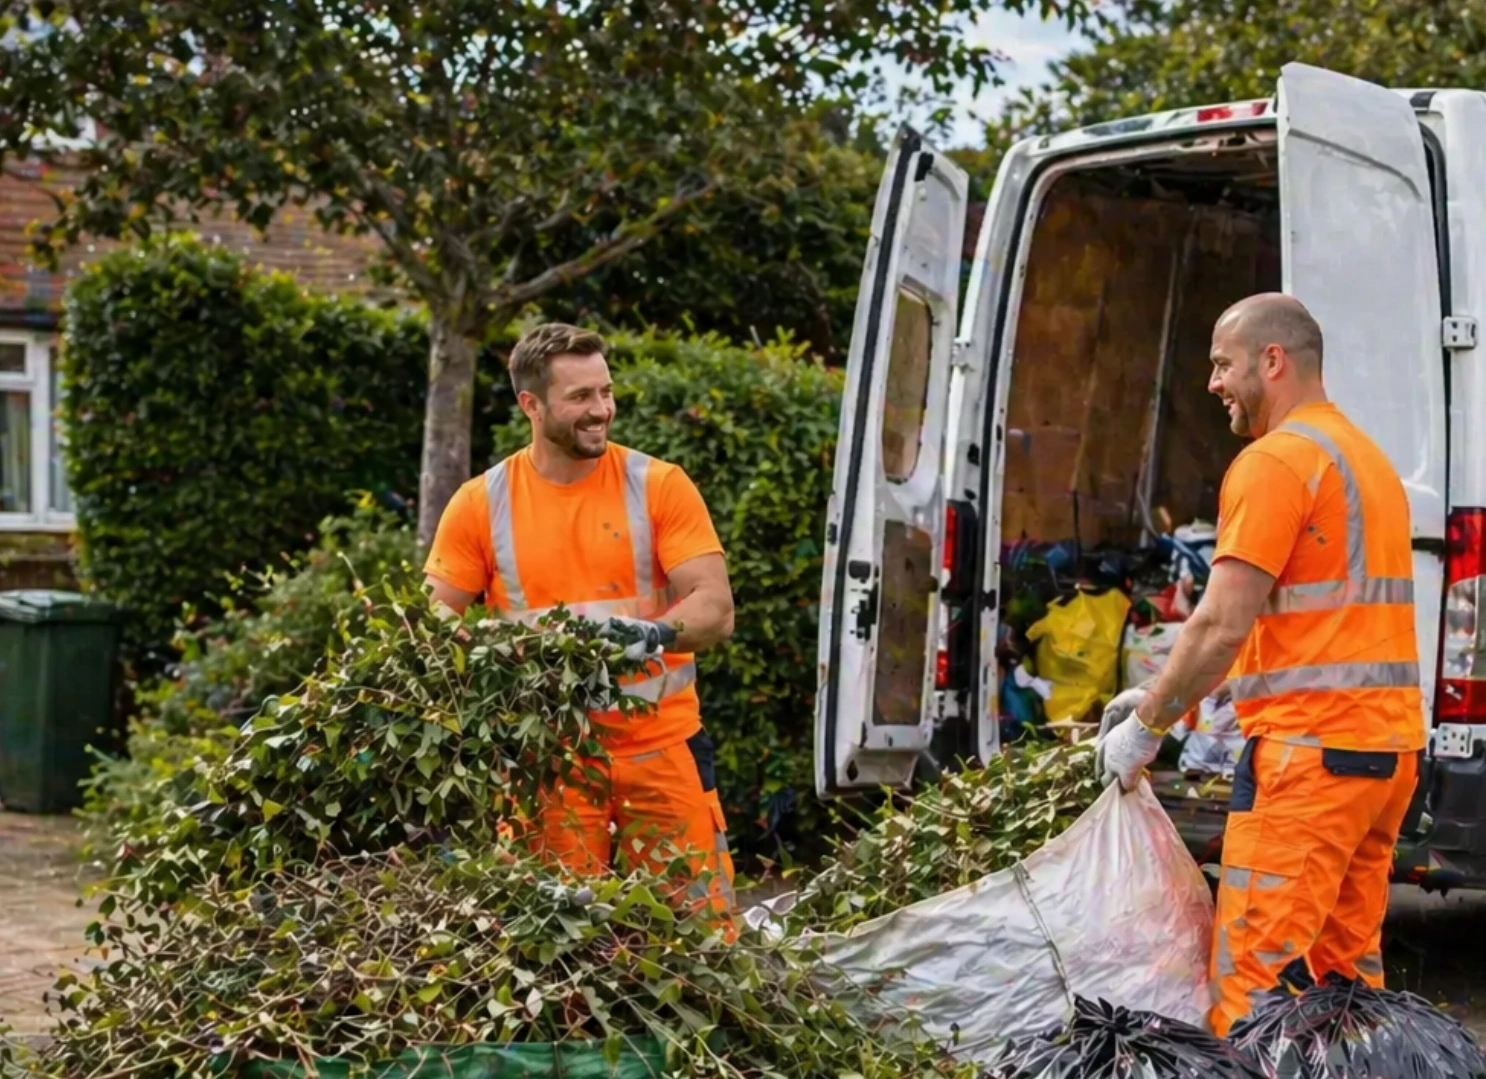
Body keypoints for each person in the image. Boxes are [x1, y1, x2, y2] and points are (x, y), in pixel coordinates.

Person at [1095, 292, 1423, 1036]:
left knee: (1254, 980)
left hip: (1307, 764)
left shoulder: (1276, 461)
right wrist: (1165, 686)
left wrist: (1148, 726)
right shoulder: (1365, 460)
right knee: (1344, 986)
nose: (1212, 382)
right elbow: (1299, 618)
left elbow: (1220, 621)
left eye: (1221, 362)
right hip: (1382, 756)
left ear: (1271, 361)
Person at [422, 321, 738, 918]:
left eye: (606, 392)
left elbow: (715, 608)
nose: (601, 410)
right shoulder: (480, 504)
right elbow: (432, 622)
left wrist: (652, 634)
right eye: (581, 397)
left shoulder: (658, 486)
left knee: (701, 942)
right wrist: (499, 647)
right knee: (554, 949)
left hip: (662, 752)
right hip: (548, 764)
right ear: (531, 406)